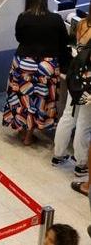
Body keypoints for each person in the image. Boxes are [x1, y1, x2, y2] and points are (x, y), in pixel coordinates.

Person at [4, 0, 68, 145]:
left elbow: (19, 37)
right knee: (39, 100)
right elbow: (63, 42)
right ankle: (30, 133)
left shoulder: (23, 18)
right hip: (46, 66)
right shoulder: (56, 19)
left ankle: (23, 128)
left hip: (23, 63)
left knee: (21, 97)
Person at [55, 14, 91, 178]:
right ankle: (81, 163)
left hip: (75, 76)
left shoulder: (82, 24)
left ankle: (58, 154)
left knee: (68, 115)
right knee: (84, 123)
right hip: (89, 83)